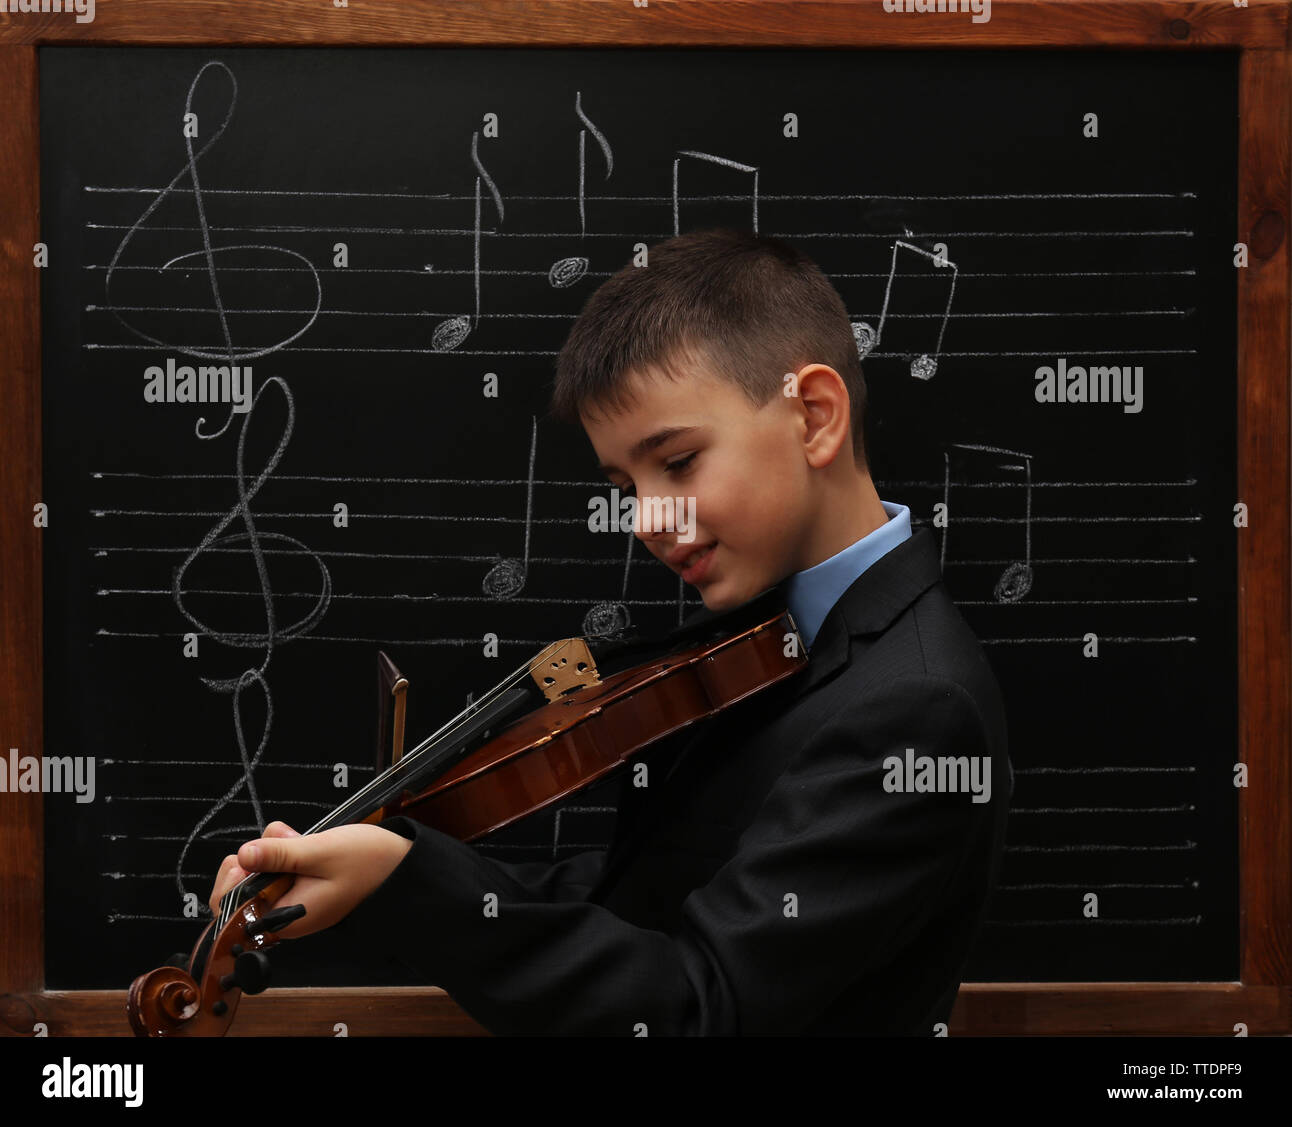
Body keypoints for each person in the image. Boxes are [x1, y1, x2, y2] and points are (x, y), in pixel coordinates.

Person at [210, 227, 1012, 1035]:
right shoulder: (761, 642)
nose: (645, 519)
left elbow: (703, 1010)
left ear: (813, 416)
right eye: (626, 483)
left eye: (678, 461)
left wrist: (415, 883)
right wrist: (390, 873)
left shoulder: (916, 708)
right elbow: (652, 893)